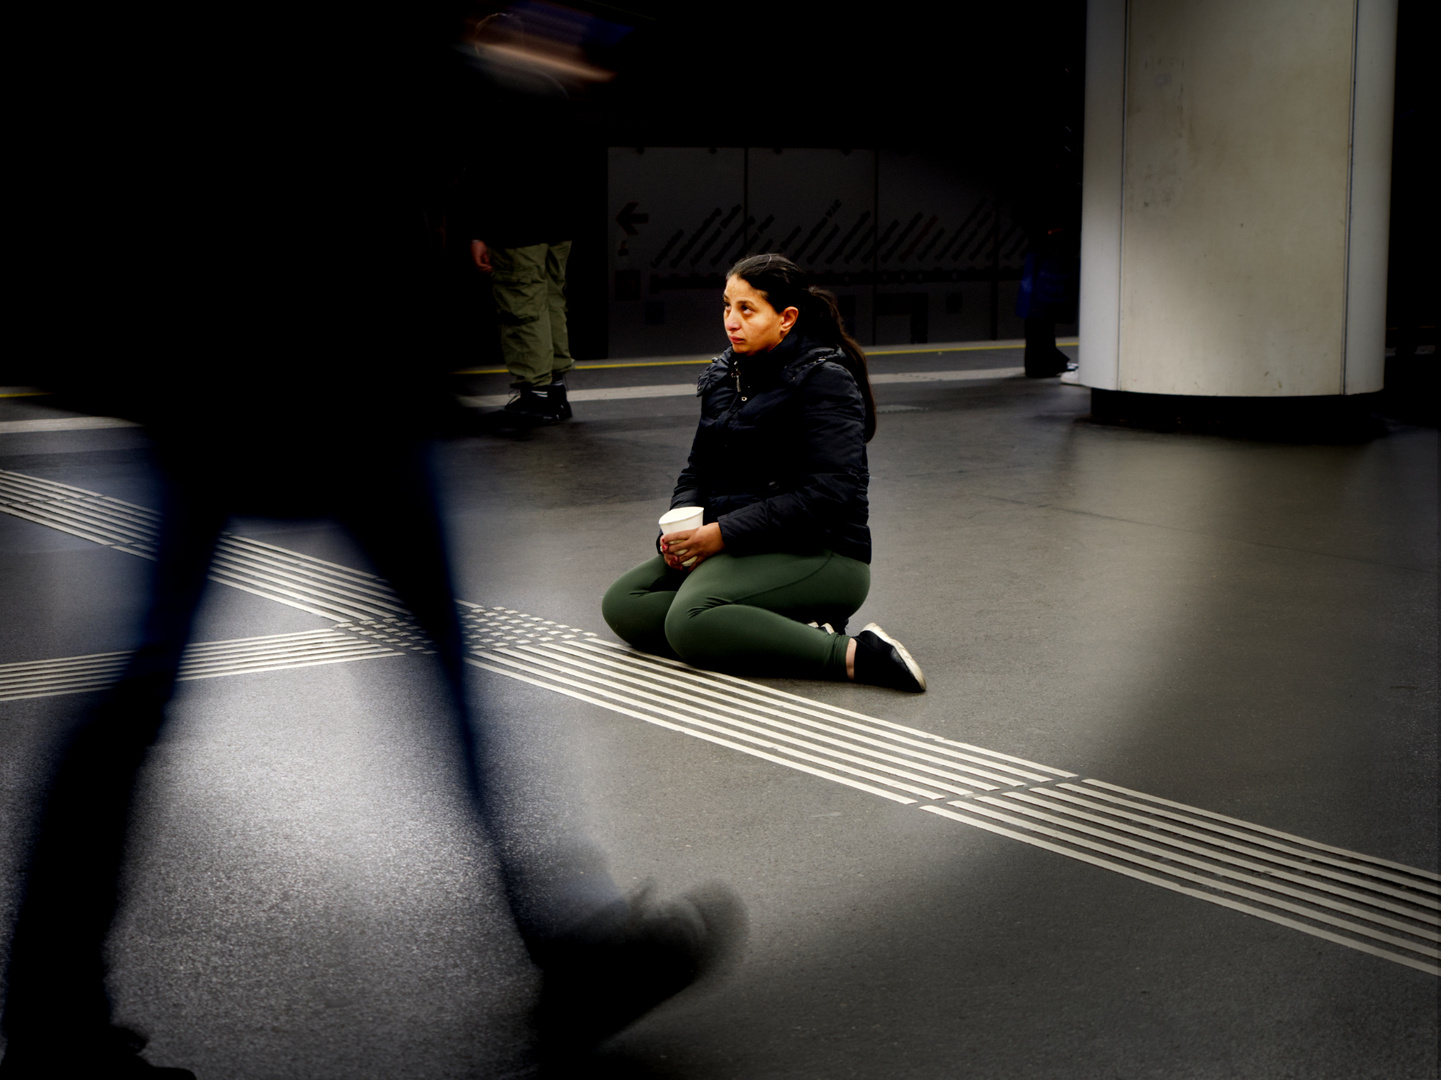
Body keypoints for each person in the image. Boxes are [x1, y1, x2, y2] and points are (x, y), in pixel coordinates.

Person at [601, 254, 926, 693]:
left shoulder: (824, 381)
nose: (731, 321)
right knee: (624, 605)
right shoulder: (725, 376)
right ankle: (780, 625)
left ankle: (857, 654)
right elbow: (697, 470)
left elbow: (830, 494)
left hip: (824, 553)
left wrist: (721, 535)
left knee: (689, 620)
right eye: (726, 307)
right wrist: (684, 525)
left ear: (787, 318)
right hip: (744, 543)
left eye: (747, 310)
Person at [457, 14, 584, 426]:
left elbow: (486, 168)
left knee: (521, 306)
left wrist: (477, 231)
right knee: (550, 302)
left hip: (516, 222)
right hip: (559, 220)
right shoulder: (554, 88)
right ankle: (556, 390)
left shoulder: (492, 93)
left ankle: (537, 395)